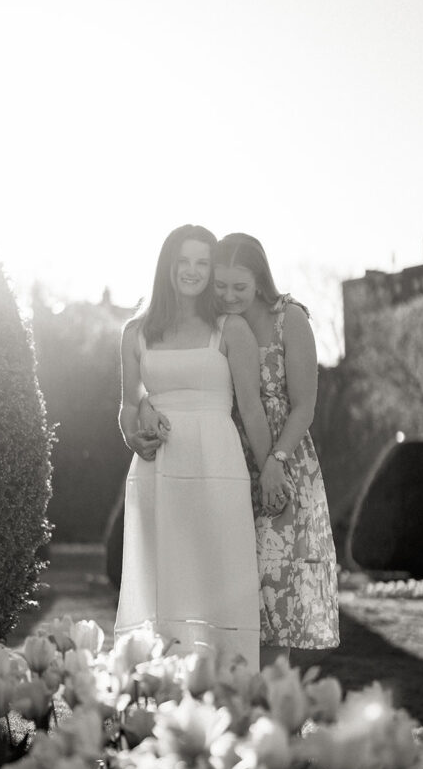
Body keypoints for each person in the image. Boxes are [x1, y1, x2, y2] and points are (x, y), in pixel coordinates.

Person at [142, 233, 339, 670]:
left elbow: (304, 405)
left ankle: (276, 719)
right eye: (221, 286)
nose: (229, 296)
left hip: (282, 459)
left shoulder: (290, 319)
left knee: (275, 596)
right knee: (231, 593)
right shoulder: (213, 325)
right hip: (225, 462)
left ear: (260, 281)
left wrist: (275, 464)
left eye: (240, 288)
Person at [115, 225, 282, 672]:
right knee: (164, 588)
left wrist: (271, 468)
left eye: (202, 262)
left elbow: (251, 409)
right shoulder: (136, 331)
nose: (192, 271)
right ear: (167, 266)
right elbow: (128, 406)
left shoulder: (231, 329)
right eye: (183, 261)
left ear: (211, 270)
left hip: (218, 467)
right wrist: (138, 434)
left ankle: (230, 701)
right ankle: (159, 699)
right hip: (158, 473)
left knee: (219, 583)